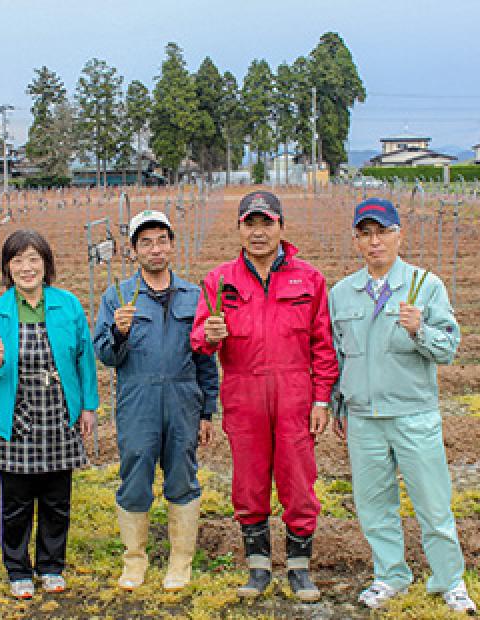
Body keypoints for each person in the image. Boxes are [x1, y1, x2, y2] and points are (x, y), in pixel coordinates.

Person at [328, 197, 477, 615]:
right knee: (374, 504)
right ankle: (390, 575)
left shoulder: (425, 285)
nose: (374, 242)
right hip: (364, 420)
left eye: (382, 232)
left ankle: (450, 581)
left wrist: (420, 330)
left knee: (433, 503)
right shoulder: (342, 293)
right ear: (357, 240)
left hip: (413, 415)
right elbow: (337, 356)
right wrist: (338, 403)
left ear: (399, 235)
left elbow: (448, 348)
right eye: (365, 234)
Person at [190, 191, 339, 601]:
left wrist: (321, 399)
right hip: (243, 391)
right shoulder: (220, 280)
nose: (257, 232)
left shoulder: (309, 279)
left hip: (295, 393)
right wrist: (209, 335)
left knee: (298, 480)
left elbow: (323, 345)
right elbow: (199, 338)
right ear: (239, 228)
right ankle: (257, 566)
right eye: (249, 224)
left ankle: (298, 567)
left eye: (266, 223)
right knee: (250, 480)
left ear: (281, 227)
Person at [0, 229, 99, 600]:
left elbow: (84, 359)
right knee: (17, 504)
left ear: (46, 264)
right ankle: (18, 569)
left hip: (58, 420)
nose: (27, 268)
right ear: (8, 268)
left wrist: (89, 406)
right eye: (18, 260)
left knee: (57, 501)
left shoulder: (67, 305)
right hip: (16, 422)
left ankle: (51, 565)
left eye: (34, 259)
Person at [93, 210, 219, 592]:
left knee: (182, 474)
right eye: (145, 242)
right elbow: (105, 355)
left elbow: (205, 357)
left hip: (183, 399)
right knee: (135, 475)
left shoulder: (194, 296)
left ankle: (180, 561)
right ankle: (135, 560)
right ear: (133, 251)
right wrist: (118, 331)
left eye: (162, 240)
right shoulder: (117, 297)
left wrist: (206, 411)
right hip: (138, 399)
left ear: (172, 245)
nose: (155, 249)